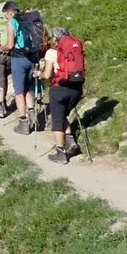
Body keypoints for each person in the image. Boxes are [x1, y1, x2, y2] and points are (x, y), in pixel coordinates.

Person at [37, 26, 87, 164]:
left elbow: (47, 75)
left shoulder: (51, 53)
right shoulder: (75, 50)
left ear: (55, 38)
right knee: (63, 114)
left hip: (59, 89)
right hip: (76, 89)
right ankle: (70, 141)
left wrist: (38, 74)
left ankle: (61, 153)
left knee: (57, 120)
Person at [10, 7, 49, 132]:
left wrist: (3, 48)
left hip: (19, 58)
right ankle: (33, 114)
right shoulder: (36, 21)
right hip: (33, 58)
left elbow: (10, 44)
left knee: (19, 91)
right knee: (27, 88)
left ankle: (24, 123)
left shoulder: (14, 21)